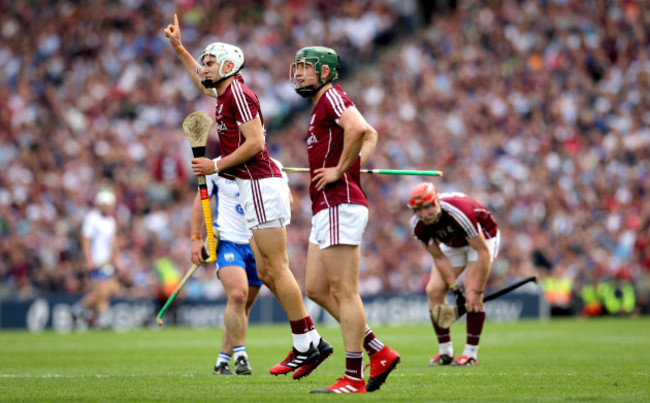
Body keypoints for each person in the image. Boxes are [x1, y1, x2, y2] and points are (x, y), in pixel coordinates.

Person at [164, 14, 328, 379]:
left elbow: (256, 144)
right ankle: (310, 341)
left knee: (276, 268)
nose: (204, 68)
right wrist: (180, 49)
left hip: (258, 183)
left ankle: (307, 344)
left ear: (227, 65)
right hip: (251, 184)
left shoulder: (237, 92)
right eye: (204, 62)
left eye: (209, 62)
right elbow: (201, 82)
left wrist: (216, 165)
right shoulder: (224, 93)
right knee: (270, 271)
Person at [289, 46, 400, 394]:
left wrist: (341, 169)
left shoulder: (331, 96)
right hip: (326, 205)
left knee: (345, 292)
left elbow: (358, 128)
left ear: (325, 72)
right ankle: (378, 351)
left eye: (307, 68)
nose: (300, 74)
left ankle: (353, 378)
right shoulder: (321, 104)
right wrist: (354, 162)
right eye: (299, 68)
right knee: (317, 289)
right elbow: (370, 134)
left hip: (340, 202)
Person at [190, 157, 290, 376]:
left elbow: (289, 201)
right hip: (228, 240)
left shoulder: (272, 165)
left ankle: (222, 361)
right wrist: (196, 238)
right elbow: (201, 201)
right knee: (237, 295)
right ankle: (241, 356)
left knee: (243, 306)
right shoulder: (215, 166)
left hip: (258, 241)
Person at [408, 182, 500, 366]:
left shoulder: (458, 212)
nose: (424, 214)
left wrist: (477, 292)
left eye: (428, 207)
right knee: (433, 291)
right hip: (453, 244)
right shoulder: (417, 227)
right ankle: (445, 352)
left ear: (436, 202)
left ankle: (470, 354)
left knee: (472, 293)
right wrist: (454, 289)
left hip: (482, 239)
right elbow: (439, 257)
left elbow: (482, 251)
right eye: (418, 209)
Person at [72, 189, 122, 329]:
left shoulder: (111, 221)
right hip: (97, 261)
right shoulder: (92, 218)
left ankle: (100, 319)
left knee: (105, 292)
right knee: (102, 291)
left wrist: (116, 260)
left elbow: (113, 243)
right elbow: (86, 240)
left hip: (107, 262)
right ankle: (78, 309)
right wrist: (89, 259)